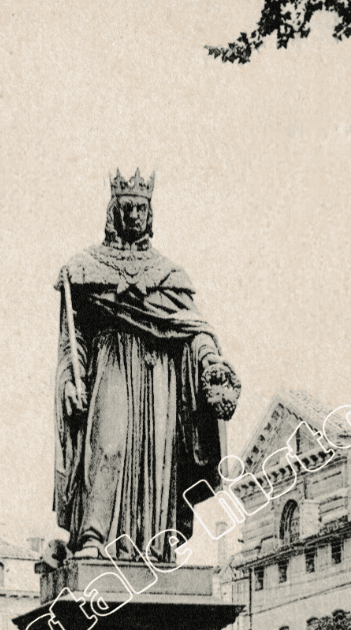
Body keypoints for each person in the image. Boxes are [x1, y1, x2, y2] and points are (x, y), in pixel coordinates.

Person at [54, 170, 241, 561]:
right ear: (114, 212)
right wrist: (72, 379)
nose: (136, 215)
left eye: (142, 208)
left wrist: (210, 363)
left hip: (159, 377)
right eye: (128, 208)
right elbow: (74, 340)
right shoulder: (86, 267)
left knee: (158, 456)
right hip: (111, 365)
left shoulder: (167, 273)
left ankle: (154, 542)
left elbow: (193, 326)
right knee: (108, 444)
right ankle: (93, 536)